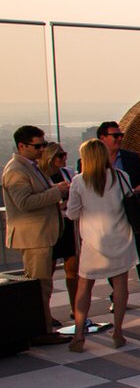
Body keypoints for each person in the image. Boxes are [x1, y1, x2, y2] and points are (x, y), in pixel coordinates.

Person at [64, 139, 137, 352]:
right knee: (121, 285)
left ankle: (79, 333)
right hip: (120, 238)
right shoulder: (121, 177)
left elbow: (72, 213)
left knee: (84, 287)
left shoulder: (79, 181)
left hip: (93, 242)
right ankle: (118, 331)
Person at [4, 125, 70, 337]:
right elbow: (24, 203)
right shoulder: (16, 170)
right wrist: (56, 192)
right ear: (22, 146)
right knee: (39, 285)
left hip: (41, 234)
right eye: (37, 145)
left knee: (43, 284)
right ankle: (41, 331)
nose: (42, 149)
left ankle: (42, 326)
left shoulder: (30, 167)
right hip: (33, 237)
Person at [98, 121, 140, 310]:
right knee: (113, 259)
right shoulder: (93, 160)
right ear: (102, 138)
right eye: (115, 136)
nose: (119, 139)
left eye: (120, 135)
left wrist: (133, 192)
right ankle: (116, 296)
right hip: (109, 219)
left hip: (131, 215)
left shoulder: (131, 158)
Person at [40, 143, 80, 320]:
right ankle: (46, 314)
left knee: (73, 270)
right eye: (60, 156)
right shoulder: (41, 177)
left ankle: (76, 309)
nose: (64, 158)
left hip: (68, 225)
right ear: (50, 158)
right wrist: (60, 203)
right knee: (47, 274)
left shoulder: (68, 173)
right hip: (51, 226)